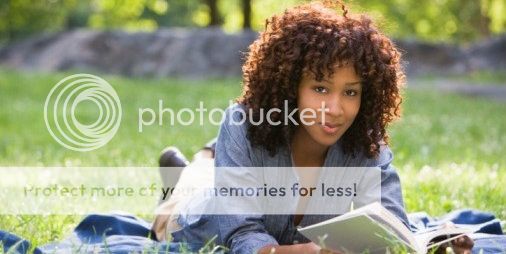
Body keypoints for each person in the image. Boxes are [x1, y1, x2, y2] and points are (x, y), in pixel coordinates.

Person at [153, 1, 473, 253]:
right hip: (195, 220)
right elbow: (241, 237)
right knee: (182, 198)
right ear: (291, 87)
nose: (334, 110)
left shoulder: (366, 142)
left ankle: (211, 156)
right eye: (320, 88)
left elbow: (388, 230)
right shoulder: (241, 125)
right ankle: (193, 165)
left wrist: (432, 246)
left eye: (350, 92)